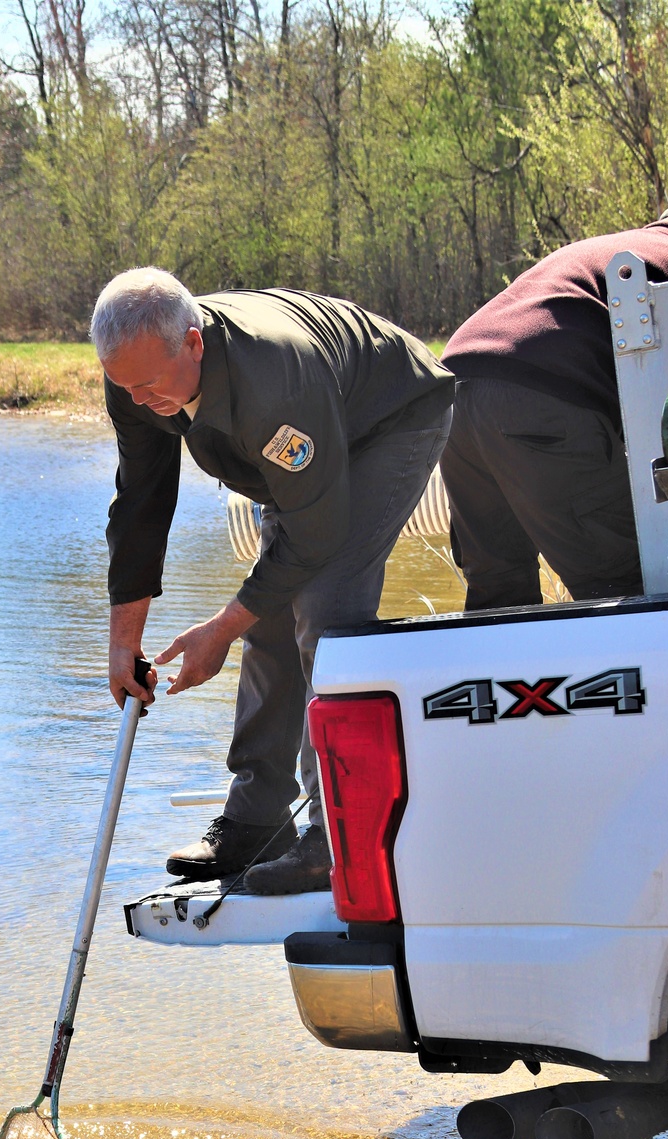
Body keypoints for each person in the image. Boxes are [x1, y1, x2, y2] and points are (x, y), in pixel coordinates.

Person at [91, 269, 453, 893]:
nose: (140, 399)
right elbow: (140, 503)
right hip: (305, 449)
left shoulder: (274, 381)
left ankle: (332, 836)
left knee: (323, 610)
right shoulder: (138, 373)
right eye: (126, 387)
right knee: (270, 620)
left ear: (195, 343)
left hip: (387, 422)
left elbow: (317, 535)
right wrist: (124, 639)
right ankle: (256, 821)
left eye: (149, 385)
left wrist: (222, 629)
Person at [441, 209, 668, 611]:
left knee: (498, 597)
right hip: (539, 393)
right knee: (630, 595)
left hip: (453, 388)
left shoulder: (632, 248)